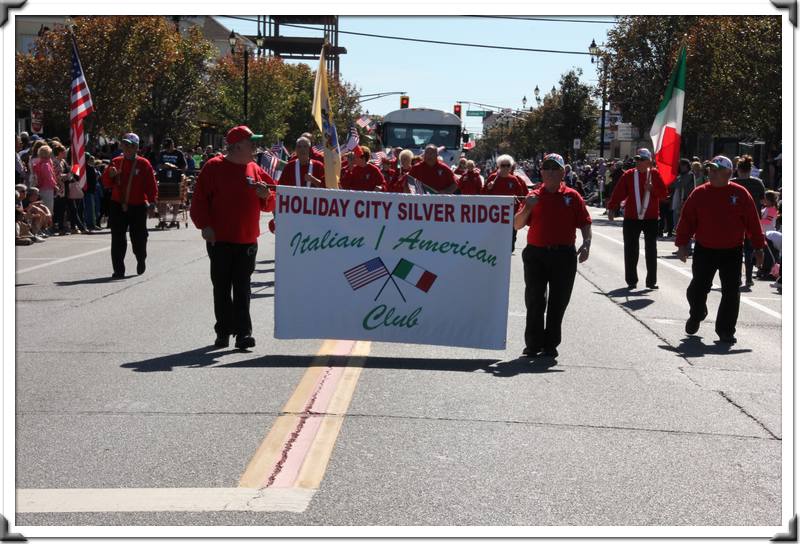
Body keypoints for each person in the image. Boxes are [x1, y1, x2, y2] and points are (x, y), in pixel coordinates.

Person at [190, 125, 273, 350]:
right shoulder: (213, 167)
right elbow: (198, 200)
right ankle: (224, 331)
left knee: (243, 287)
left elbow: (271, 197)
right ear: (236, 146)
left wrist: (266, 196)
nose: (255, 146)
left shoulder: (255, 168)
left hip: (246, 239)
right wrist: (204, 225)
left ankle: (244, 334)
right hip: (220, 239)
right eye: (251, 142)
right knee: (222, 287)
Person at [674, 155, 764, 344]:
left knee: (731, 292)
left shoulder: (740, 194)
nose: (712, 173)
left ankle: (726, 330)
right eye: (711, 170)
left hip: (732, 250)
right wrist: (682, 244)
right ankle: (697, 313)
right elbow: (687, 219)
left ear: (729, 173)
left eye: (717, 170)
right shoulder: (699, 193)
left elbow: (753, 223)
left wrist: (758, 247)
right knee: (697, 289)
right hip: (705, 248)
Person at [513, 153, 592, 360]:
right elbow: (517, 224)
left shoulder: (572, 196)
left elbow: (584, 221)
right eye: (546, 168)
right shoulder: (533, 196)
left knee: (558, 301)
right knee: (535, 300)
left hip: (563, 255)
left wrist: (586, 243)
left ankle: (551, 344)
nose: (550, 172)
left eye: (554, 168)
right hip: (536, 254)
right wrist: (528, 207)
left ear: (562, 172)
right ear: (541, 172)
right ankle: (533, 344)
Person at [606, 148, 667, 290]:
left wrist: (653, 189)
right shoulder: (628, 175)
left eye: (641, 160)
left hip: (650, 218)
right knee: (631, 249)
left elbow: (664, 196)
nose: (638, 162)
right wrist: (612, 207)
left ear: (648, 162)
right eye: (637, 159)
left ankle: (651, 281)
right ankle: (631, 280)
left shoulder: (655, 175)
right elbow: (619, 192)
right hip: (631, 218)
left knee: (651, 250)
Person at [101, 133, 158, 278]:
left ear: (137, 147)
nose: (127, 148)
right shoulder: (115, 161)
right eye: (125, 144)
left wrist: (152, 203)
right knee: (117, 238)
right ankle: (119, 270)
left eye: (130, 145)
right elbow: (106, 183)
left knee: (138, 238)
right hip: (117, 205)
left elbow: (151, 186)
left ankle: (141, 257)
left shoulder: (144, 164)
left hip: (137, 206)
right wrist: (110, 175)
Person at [483, 154, 528, 252]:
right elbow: (483, 195)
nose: (506, 168)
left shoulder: (514, 179)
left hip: (510, 216)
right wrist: (488, 188)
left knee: (510, 242)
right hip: (495, 216)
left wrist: (516, 198)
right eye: (503, 165)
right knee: (495, 241)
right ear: (499, 166)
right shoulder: (493, 178)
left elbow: (521, 196)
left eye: (508, 165)